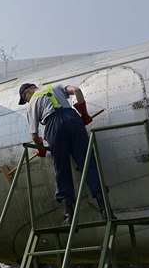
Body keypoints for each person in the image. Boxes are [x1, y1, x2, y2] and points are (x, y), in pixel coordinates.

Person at [18, 82, 111, 224]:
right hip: (73, 120)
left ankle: (69, 217)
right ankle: (105, 211)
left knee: (62, 169)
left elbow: (34, 135)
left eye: (25, 99)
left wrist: (41, 149)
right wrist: (84, 114)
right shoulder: (55, 87)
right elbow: (77, 90)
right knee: (88, 164)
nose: (27, 101)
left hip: (54, 127)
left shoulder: (32, 104)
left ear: (27, 93)